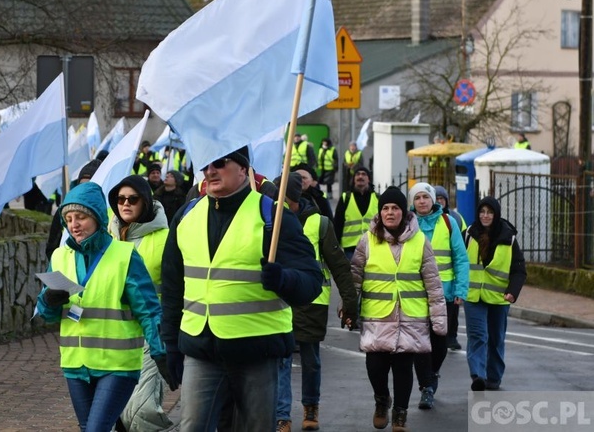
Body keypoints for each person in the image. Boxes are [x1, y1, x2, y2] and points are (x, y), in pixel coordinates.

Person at [160, 146, 323, 432]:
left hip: (257, 351)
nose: (210, 171)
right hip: (201, 350)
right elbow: (173, 287)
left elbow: (310, 281)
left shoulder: (272, 216)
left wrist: (283, 279)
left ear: (243, 169)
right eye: (205, 164)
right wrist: (170, 344)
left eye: (219, 163)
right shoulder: (186, 216)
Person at [35, 182, 175, 432]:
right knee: (89, 426)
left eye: (81, 217)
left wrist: (161, 352)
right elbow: (46, 314)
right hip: (76, 365)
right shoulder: (59, 257)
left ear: (98, 218)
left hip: (117, 366)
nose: (74, 225)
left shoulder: (124, 255)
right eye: (68, 218)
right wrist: (48, 302)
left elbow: (149, 310)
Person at [350, 186, 447, 432]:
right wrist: (349, 308)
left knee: (404, 368)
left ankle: (400, 413)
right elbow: (355, 277)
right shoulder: (367, 240)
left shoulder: (420, 241)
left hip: (411, 317)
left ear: (403, 213)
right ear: (380, 212)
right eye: (385, 208)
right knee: (375, 367)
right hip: (377, 316)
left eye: (395, 208)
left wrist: (438, 320)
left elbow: (433, 284)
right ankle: (382, 400)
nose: (390, 213)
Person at [274, 172, 358, 432]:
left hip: (312, 303)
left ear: (292, 198)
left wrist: (350, 301)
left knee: (310, 361)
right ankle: (282, 416)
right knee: (282, 359)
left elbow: (339, 266)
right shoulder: (270, 220)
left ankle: (311, 407)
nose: (275, 202)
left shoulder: (319, 224)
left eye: (280, 197)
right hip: (279, 302)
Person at [106, 175, 172, 431]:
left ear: (145, 202)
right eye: (120, 199)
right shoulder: (106, 238)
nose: (125, 204)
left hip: (151, 332)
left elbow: (177, 286)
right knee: (112, 411)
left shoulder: (166, 238)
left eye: (133, 199)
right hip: (111, 332)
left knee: (141, 409)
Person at [407, 183, 469, 411]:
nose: (422, 201)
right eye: (417, 197)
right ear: (412, 202)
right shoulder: (408, 225)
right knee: (420, 344)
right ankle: (427, 388)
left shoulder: (448, 222)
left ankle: (432, 374)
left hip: (446, 294)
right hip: (415, 294)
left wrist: (460, 290)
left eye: (426, 197)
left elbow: (461, 259)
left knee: (440, 344)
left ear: (433, 200)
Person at [463, 196, 526, 391]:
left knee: (496, 338)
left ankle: (494, 377)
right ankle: (478, 376)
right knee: (477, 335)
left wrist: (512, 292)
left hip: (499, 298)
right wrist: (458, 289)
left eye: (489, 212)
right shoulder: (468, 234)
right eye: (482, 212)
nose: (485, 216)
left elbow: (519, 270)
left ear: (496, 214)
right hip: (473, 296)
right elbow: (460, 263)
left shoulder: (509, 238)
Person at [45, 159, 102, 261]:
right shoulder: (64, 211)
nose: (74, 225)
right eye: (69, 220)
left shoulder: (112, 213)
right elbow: (51, 248)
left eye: (81, 218)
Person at [434, 185, 467, 351]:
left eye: (442, 199)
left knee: (452, 312)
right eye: (437, 198)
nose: (439, 201)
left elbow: (463, 245)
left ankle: (452, 337)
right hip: (432, 278)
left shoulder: (455, 219)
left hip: (450, 276)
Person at [334, 165, 378, 261]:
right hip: (350, 247)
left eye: (363, 174)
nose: (360, 176)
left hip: (372, 245)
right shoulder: (346, 198)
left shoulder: (377, 198)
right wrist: (335, 246)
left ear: (369, 179)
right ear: (354, 179)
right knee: (353, 275)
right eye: (357, 174)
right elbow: (338, 223)